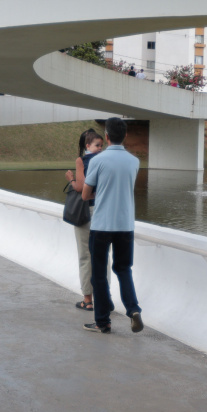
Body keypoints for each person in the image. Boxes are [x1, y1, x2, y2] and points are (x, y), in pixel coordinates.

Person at [81, 117, 142, 334]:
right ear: (124, 136)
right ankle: (133, 309)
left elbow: (86, 194)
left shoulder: (97, 160)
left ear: (106, 137)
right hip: (125, 224)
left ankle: (103, 321)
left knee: (99, 272)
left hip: (102, 224)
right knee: (123, 269)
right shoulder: (134, 162)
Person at [64, 129, 104, 312]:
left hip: (87, 212)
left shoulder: (82, 161)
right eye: (98, 145)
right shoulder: (105, 160)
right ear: (88, 145)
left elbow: (80, 187)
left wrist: (71, 180)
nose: (100, 148)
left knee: (85, 254)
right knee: (102, 256)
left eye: (100, 145)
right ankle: (104, 299)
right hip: (102, 211)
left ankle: (87, 299)